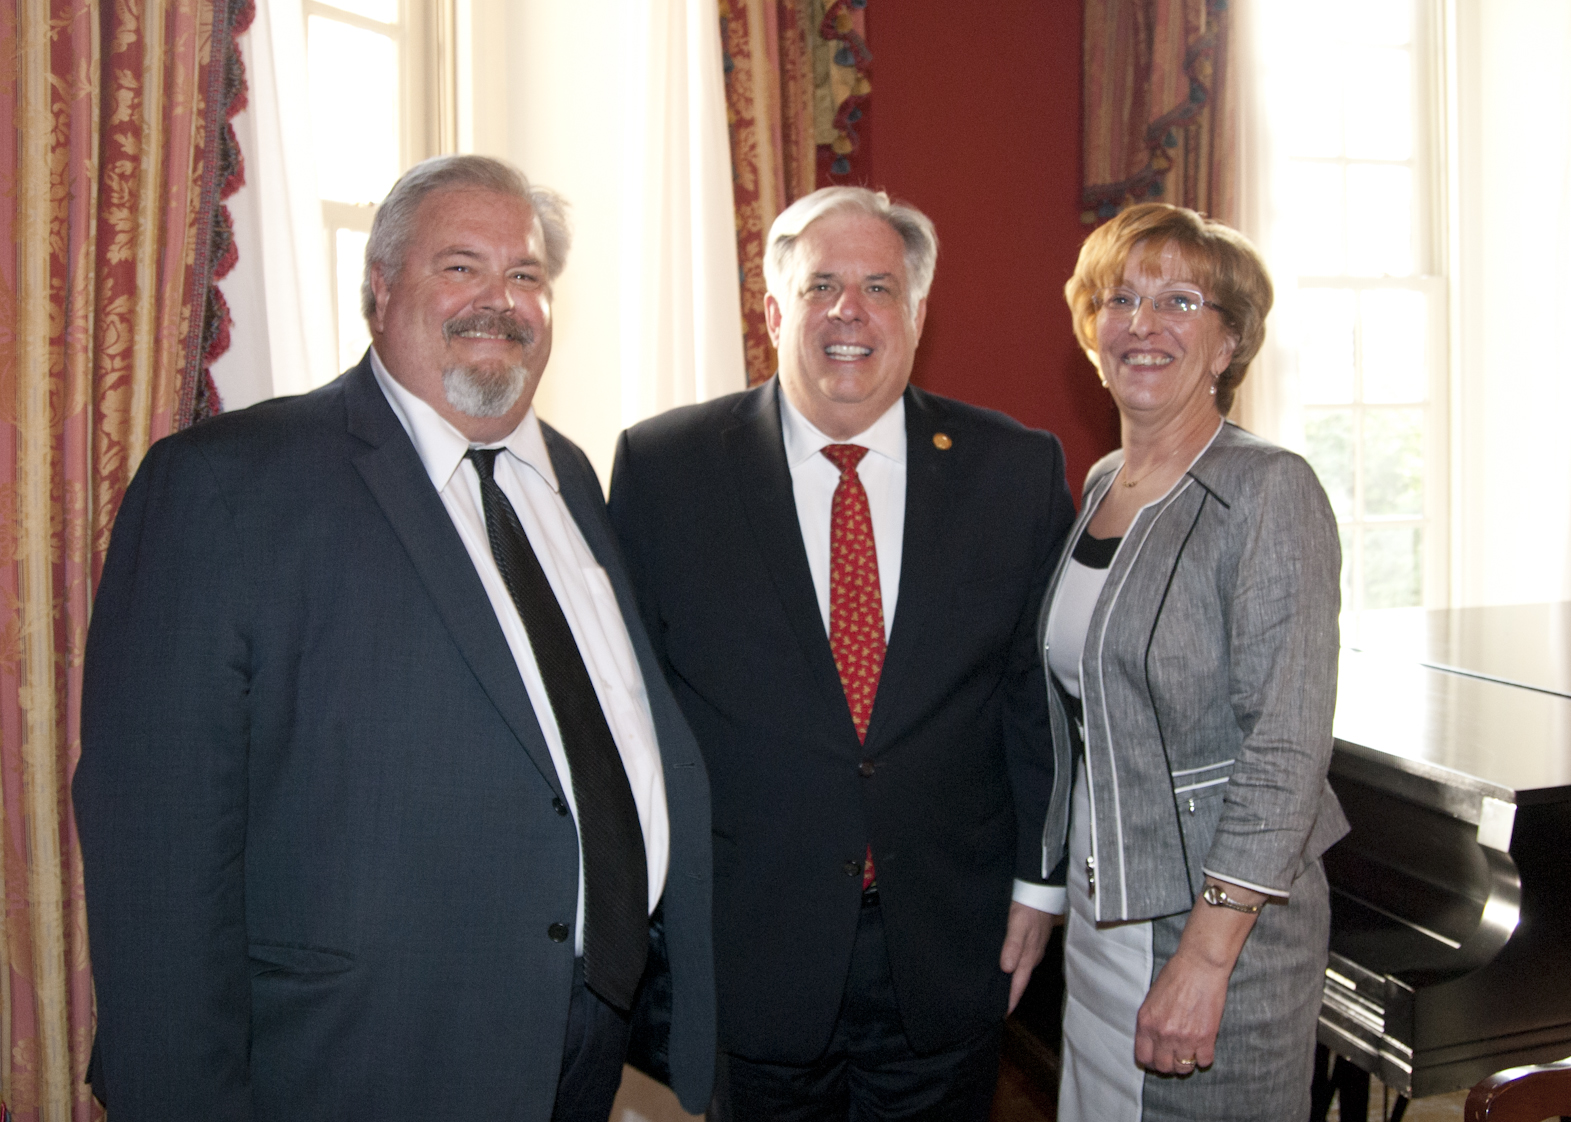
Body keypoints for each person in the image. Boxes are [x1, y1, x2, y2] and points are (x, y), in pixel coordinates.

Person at [73, 155, 714, 1122]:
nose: (500, 301)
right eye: (460, 266)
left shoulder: (570, 478)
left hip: (580, 1050)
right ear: (378, 291)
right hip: (356, 1063)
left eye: (526, 275)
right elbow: (157, 851)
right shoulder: (227, 486)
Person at [608, 186, 1076, 1119]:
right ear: (774, 310)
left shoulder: (1013, 469)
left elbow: (1038, 701)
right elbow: (633, 711)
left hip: (949, 938)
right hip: (748, 942)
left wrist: (1041, 881)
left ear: (916, 312)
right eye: (821, 285)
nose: (848, 312)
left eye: (878, 286)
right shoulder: (665, 470)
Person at [1040, 201, 1349, 1121]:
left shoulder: (1267, 491)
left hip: (1220, 931)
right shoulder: (1103, 481)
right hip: (1105, 915)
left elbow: (1285, 751)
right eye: (1119, 299)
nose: (1142, 324)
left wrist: (1206, 958)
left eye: (1179, 301)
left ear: (1228, 344)